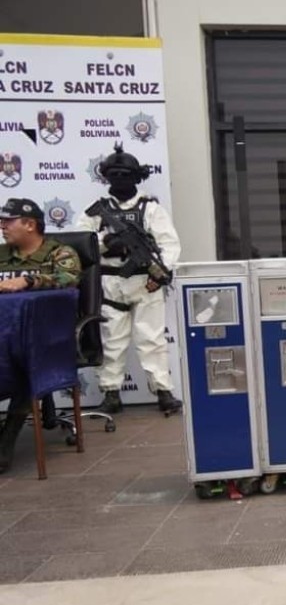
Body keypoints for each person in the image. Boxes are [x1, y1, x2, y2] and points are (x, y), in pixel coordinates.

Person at [76, 144, 182, 416]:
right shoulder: (95, 212)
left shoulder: (150, 209)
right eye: (115, 174)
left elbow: (169, 244)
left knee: (152, 339)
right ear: (106, 176)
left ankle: (163, 391)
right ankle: (111, 393)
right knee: (112, 339)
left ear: (137, 176)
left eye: (126, 174)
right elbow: (79, 245)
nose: (120, 179)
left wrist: (162, 271)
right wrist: (107, 242)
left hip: (145, 282)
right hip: (111, 283)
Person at [0, 197, 82, 472]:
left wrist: (29, 280)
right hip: (5, 339)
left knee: (24, 366)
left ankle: (5, 445)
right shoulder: (2, 255)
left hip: (48, 341)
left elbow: (69, 279)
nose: (3, 226)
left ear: (30, 224)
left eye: (8, 221)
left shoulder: (59, 253)